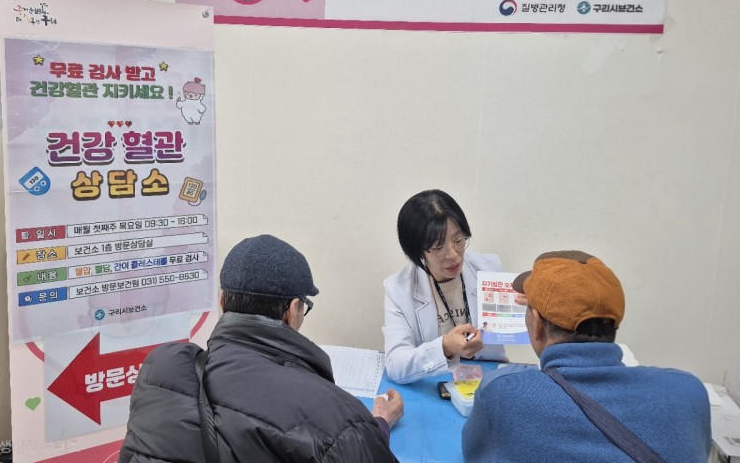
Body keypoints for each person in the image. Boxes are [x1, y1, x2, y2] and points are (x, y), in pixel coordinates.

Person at [119, 234, 404, 463]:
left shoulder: (161, 370)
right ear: (293, 310)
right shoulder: (339, 418)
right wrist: (378, 423)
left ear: (222, 301)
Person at [462, 250, 712, 463]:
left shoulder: (503, 394)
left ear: (536, 324)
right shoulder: (688, 392)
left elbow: (474, 454)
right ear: (615, 322)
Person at [383, 189, 507, 384]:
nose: (453, 255)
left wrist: (532, 310)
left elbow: (507, 335)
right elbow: (395, 364)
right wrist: (445, 347)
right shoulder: (398, 290)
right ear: (417, 250)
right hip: (436, 383)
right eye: (438, 247)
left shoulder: (489, 269)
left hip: (489, 381)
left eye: (458, 240)